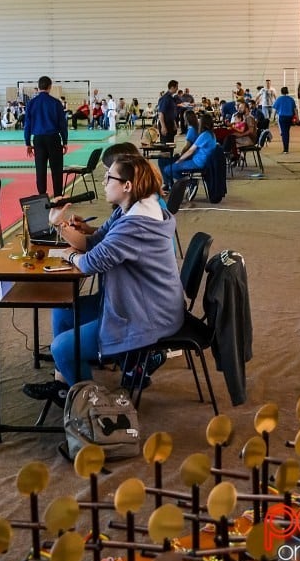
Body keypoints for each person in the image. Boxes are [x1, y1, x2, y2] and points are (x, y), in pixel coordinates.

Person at [22, 153, 184, 406]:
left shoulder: (136, 224)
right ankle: (67, 385)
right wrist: (61, 224)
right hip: (136, 302)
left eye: (109, 177)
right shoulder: (129, 210)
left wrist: (69, 254)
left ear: (127, 186)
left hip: (146, 315)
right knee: (63, 312)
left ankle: (95, 409)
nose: (104, 182)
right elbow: (92, 242)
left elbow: (89, 261)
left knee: (62, 348)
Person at [24, 76, 69, 196]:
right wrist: (65, 141)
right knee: (56, 169)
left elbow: (27, 124)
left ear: (38, 87)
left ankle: (42, 196)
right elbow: (62, 124)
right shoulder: (56, 103)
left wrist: (27, 143)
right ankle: (58, 196)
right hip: (53, 138)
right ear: (50, 87)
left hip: (38, 139)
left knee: (40, 169)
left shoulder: (31, 103)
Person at [163, 113, 217, 188]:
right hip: (204, 161)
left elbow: (190, 151)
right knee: (173, 165)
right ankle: (187, 182)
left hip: (198, 162)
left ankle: (190, 183)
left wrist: (179, 160)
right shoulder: (212, 135)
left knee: (168, 169)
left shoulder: (204, 135)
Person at [274, 86, 298, 154]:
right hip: (289, 117)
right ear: (287, 91)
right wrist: (297, 117)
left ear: (281, 92)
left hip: (282, 117)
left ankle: (285, 149)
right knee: (287, 131)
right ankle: (286, 147)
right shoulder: (291, 99)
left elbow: (275, 108)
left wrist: (274, 116)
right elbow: (295, 109)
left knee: (284, 133)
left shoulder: (279, 99)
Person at [157, 80, 179, 144]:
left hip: (170, 123)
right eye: (176, 87)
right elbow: (161, 113)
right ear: (172, 87)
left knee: (170, 144)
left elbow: (171, 112)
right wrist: (163, 126)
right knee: (165, 145)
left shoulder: (171, 98)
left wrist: (174, 123)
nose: (177, 89)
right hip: (165, 123)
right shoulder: (165, 98)